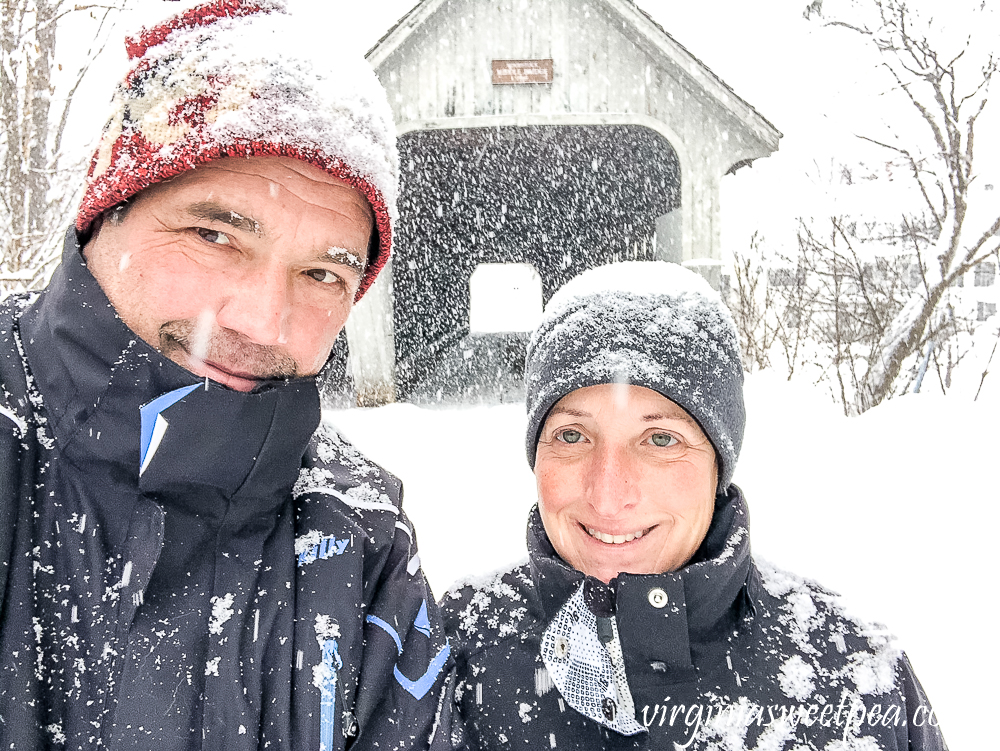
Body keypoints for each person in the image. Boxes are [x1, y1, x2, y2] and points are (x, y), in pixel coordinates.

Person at [0, 2, 450, 748]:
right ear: (107, 211)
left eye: (321, 274)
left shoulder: (358, 548)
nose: (262, 321)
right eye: (215, 234)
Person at [439, 262, 946, 750]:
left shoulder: (853, 672)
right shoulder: (453, 649)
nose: (608, 494)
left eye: (661, 440)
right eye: (572, 435)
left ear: (719, 465)